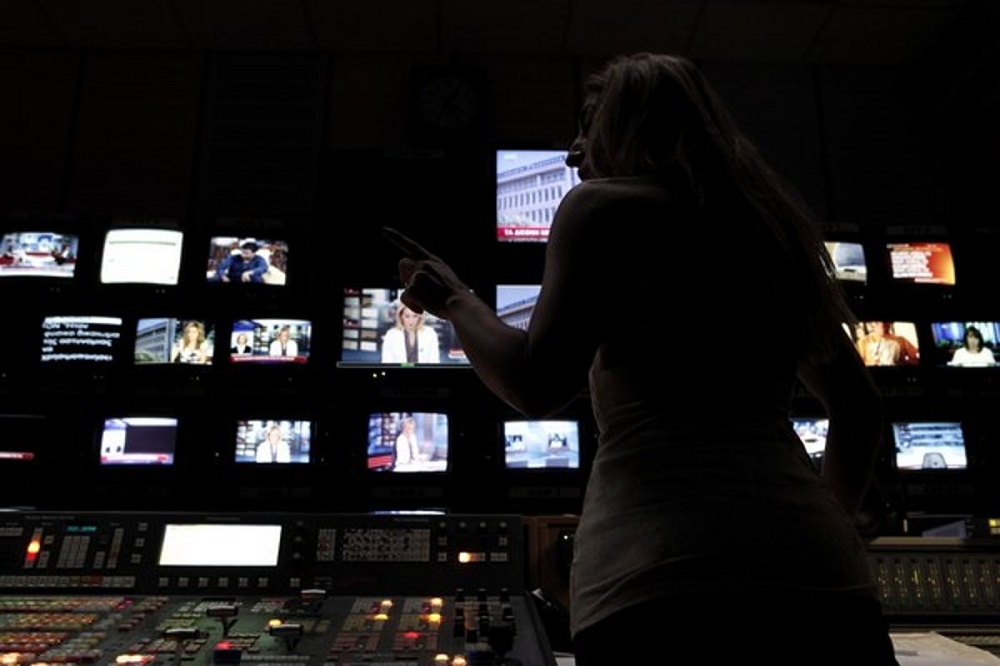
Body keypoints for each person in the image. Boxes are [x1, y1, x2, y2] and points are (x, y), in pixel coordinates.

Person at [384, 53, 897, 664]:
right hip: (825, 579)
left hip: (658, 579)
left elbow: (535, 384)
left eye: (588, 125)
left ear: (635, 125)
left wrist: (456, 300)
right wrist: (825, 526)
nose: (573, 153)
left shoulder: (602, 208)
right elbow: (859, 408)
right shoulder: (768, 227)